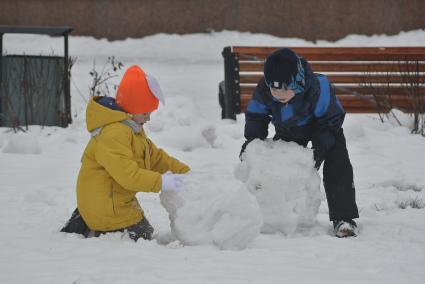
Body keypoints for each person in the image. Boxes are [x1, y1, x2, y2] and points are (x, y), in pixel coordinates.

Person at [61, 65, 190, 241]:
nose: (149, 118)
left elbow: (155, 158)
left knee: (144, 230)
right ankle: (101, 229)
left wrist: (186, 173)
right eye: (145, 112)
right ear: (132, 107)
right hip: (106, 208)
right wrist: (165, 182)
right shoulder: (115, 133)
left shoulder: (131, 129)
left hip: (109, 200)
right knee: (146, 238)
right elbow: (129, 176)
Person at [241, 48, 359, 237]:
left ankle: (343, 217)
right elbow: (256, 115)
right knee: (279, 163)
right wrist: (253, 142)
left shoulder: (319, 88)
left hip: (326, 128)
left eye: (285, 88)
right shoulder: (265, 89)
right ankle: (275, 213)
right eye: (273, 88)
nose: (278, 94)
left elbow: (331, 121)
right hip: (290, 130)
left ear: (298, 82)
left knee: (338, 164)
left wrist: (319, 149)